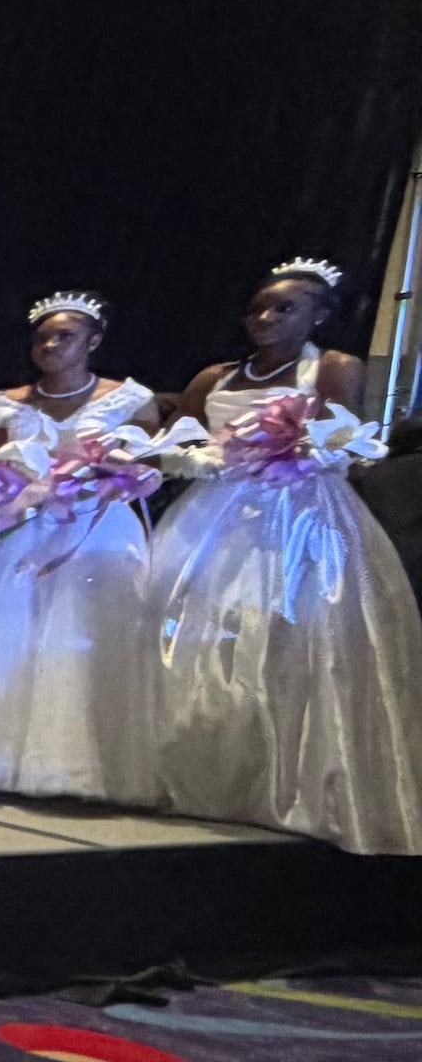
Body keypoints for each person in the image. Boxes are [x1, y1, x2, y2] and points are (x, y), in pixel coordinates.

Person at [143, 257, 422, 853]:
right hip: (214, 517)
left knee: (284, 635)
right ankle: (206, 774)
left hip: (295, 516)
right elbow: (173, 442)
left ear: (319, 314)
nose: (265, 317)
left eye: (284, 308)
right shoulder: (214, 376)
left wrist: (279, 455)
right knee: (199, 638)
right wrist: (192, 459)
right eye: (258, 309)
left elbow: (333, 438)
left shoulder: (333, 367)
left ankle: (285, 781)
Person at [0, 292, 160, 805]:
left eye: (65, 336)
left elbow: (146, 469)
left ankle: (75, 763)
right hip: (20, 528)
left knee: (77, 638)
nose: (50, 345)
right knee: (10, 636)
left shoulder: (128, 398)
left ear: (93, 341)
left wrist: (98, 476)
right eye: (42, 337)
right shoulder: (8, 401)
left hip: (94, 528)